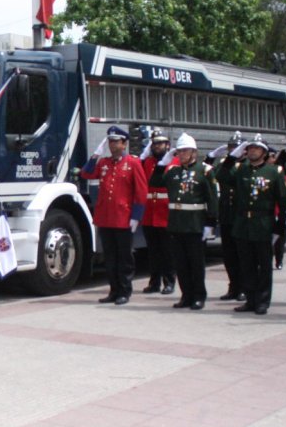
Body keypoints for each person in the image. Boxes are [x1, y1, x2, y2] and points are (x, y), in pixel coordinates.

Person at [219, 133, 286, 315]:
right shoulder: (240, 170)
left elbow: (283, 200)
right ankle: (250, 300)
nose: (252, 151)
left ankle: (263, 301)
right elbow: (222, 176)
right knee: (246, 264)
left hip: (263, 223)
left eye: (257, 148)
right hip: (243, 223)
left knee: (264, 265)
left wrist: (280, 225)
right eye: (250, 148)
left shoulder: (273, 172)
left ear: (264, 153)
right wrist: (232, 156)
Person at [83, 126, 148, 305]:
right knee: (110, 257)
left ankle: (124, 291)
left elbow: (141, 191)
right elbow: (86, 173)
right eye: (110, 142)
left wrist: (136, 216)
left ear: (124, 144)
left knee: (124, 257)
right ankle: (113, 290)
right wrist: (95, 155)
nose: (112, 145)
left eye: (116, 142)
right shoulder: (104, 163)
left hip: (123, 218)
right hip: (105, 217)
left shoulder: (133, 163)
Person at [163, 133, 218, 310]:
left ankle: (199, 296)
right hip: (177, 223)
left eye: (185, 151)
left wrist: (210, 223)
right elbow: (155, 181)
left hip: (195, 224)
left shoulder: (204, 171)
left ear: (194, 152)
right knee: (181, 264)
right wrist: (163, 162)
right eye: (179, 151)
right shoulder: (173, 171)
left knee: (196, 264)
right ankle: (186, 296)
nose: (182, 154)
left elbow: (212, 198)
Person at [208, 131, 246, 302]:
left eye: (236, 147)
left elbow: (232, 178)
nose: (233, 150)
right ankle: (233, 286)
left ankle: (244, 287)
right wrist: (211, 157)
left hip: (240, 215)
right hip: (226, 214)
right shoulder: (225, 164)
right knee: (229, 255)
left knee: (242, 254)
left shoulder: (247, 165)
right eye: (231, 147)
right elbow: (211, 173)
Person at [139, 129, 177, 295]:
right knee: (153, 251)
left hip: (165, 212)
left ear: (167, 145)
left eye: (160, 143)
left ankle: (169, 282)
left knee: (168, 251)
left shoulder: (174, 161)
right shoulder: (147, 162)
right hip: (149, 212)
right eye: (154, 143)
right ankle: (154, 282)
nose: (157, 146)